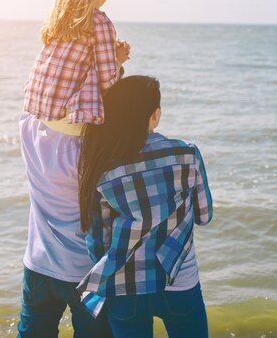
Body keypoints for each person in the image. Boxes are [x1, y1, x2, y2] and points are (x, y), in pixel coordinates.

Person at [18, 0, 129, 337]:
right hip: (85, 272)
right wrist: (116, 62)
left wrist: (108, 60)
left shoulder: (55, 25)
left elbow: (68, 75)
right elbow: (111, 90)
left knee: (32, 329)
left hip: (38, 127)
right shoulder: (99, 21)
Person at [76, 75, 213, 338]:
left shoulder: (103, 167)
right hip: (179, 279)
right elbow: (204, 216)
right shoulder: (187, 154)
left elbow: (97, 245)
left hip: (125, 288)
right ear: (155, 115)